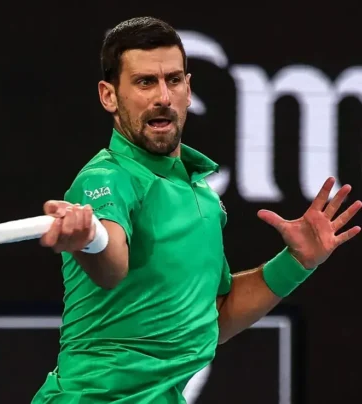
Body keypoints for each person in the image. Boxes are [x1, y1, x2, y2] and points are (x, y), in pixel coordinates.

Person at [31, 16, 362, 404]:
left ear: (188, 89)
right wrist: (90, 240)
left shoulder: (201, 195)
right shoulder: (106, 178)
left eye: (173, 80)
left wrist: (295, 262)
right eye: (144, 82)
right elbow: (112, 266)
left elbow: (213, 316)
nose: (163, 97)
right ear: (109, 96)